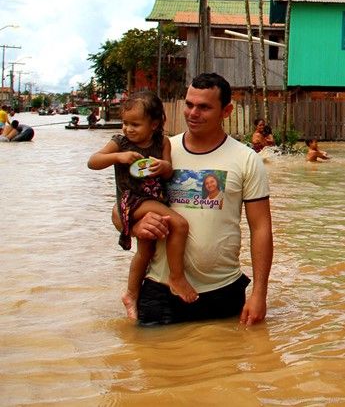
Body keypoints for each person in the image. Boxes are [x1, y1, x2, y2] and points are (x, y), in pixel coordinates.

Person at [121, 72, 272, 326]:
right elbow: (121, 206)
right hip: (161, 291)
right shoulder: (160, 151)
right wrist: (135, 226)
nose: (193, 113)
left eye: (204, 107)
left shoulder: (246, 159)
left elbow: (261, 228)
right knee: (152, 363)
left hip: (224, 291)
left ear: (226, 111)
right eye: (189, 104)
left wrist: (259, 294)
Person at [89, 91, 198, 320]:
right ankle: (176, 278)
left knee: (146, 251)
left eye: (135, 124)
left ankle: (131, 293)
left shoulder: (162, 142)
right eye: (125, 123)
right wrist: (117, 157)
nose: (128, 129)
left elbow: (168, 171)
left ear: (154, 124)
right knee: (180, 225)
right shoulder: (120, 143)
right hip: (132, 202)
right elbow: (93, 162)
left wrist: (162, 166)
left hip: (154, 200)